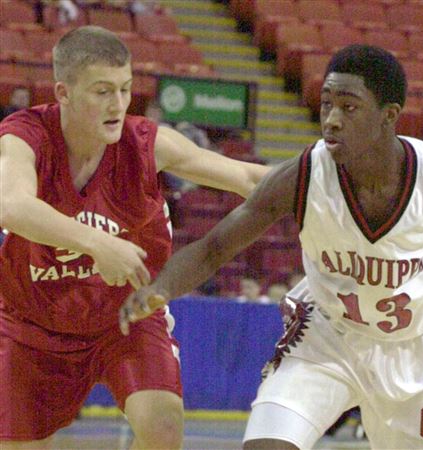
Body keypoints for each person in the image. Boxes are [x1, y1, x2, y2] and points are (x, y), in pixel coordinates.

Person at [121, 45, 423, 450]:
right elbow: (217, 245)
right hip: (329, 337)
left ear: (389, 115)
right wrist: (160, 288)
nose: (330, 119)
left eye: (348, 107)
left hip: (420, 352)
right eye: (327, 104)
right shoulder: (303, 174)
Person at [0, 26, 269, 449]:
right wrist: (98, 243)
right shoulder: (25, 134)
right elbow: (11, 206)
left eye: (125, 89)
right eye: (102, 91)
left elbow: (245, 177)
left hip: (127, 316)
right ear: (64, 93)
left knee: (163, 428)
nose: (118, 105)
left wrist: (320, 184)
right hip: (34, 323)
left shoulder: (145, 142)